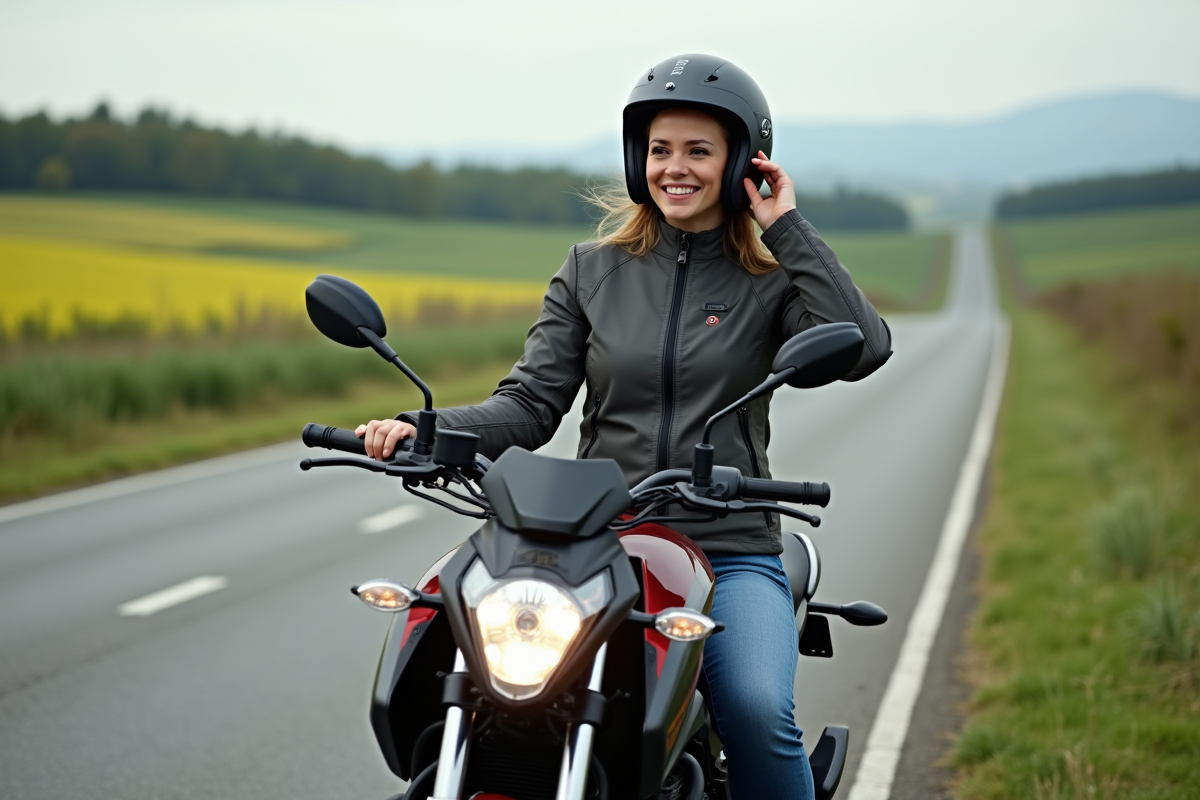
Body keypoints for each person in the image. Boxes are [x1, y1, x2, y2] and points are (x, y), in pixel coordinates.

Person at [356, 53, 892, 800]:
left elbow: (864, 346)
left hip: (729, 547)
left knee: (756, 708)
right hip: (600, 548)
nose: (675, 167)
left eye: (699, 150)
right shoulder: (590, 271)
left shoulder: (770, 284)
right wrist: (424, 428)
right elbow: (530, 403)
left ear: (742, 161)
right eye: (660, 149)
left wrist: (786, 226)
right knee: (479, 673)